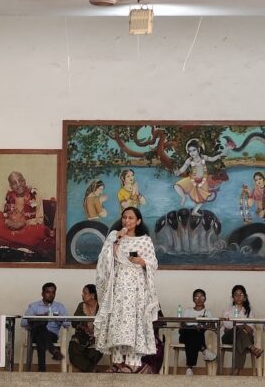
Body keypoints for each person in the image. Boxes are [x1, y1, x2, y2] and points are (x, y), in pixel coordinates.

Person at [94, 207, 160, 374]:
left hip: (136, 287)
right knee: (116, 321)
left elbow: (153, 263)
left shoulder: (144, 240)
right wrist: (114, 245)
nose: (127, 221)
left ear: (138, 221)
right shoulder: (114, 237)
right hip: (117, 286)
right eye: (124, 217)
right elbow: (103, 261)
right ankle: (117, 361)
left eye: (131, 218)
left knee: (133, 322)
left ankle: (132, 362)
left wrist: (142, 261)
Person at [21, 283, 69, 372]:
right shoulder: (34, 306)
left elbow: (67, 324)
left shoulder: (59, 307)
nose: (51, 295)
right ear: (42, 294)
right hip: (33, 335)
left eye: (53, 292)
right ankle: (53, 350)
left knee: (41, 336)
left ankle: (42, 370)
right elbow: (23, 322)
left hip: (51, 335)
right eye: (48, 292)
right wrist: (38, 316)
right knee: (40, 327)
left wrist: (58, 317)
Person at [174, 139, 225, 213]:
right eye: (190, 151)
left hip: (203, 181)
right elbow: (182, 169)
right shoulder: (189, 160)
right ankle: (183, 197)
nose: (192, 153)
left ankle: (194, 211)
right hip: (192, 180)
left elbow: (212, 159)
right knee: (176, 186)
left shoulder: (203, 157)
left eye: (194, 150)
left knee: (202, 198)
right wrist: (177, 172)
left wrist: (220, 155)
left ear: (198, 149)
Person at [221, 284, 263, 374]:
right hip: (229, 337)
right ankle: (252, 348)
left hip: (245, 337)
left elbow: (251, 330)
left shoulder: (249, 312)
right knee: (238, 331)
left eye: (241, 294)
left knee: (240, 339)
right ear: (233, 297)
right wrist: (243, 325)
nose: (239, 297)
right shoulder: (227, 310)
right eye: (236, 294)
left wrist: (241, 326)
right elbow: (227, 327)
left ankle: (235, 371)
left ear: (245, 297)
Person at [178, 288, 217, 376]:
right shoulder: (188, 311)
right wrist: (193, 326)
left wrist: (203, 326)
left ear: (205, 298)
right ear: (193, 299)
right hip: (185, 335)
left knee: (193, 337)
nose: (199, 299)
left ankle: (189, 367)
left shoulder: (208, 313)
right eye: (196, 297)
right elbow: (182, 325)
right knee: (191, 330)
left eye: (201, 297)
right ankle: (203, 349)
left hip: (198, 336)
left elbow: (213, 327)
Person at [68, 284, 102, 372]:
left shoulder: (101, 307)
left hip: (96, 338)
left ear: (92, 295)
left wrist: (95, 331)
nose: (82, 295)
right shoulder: (81, 305)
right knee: (73, 348)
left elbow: (106, 324)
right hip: (81, 337)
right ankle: (91, 369)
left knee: (96, 350)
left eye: (85, 293)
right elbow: (74, 323)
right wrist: (83, 327)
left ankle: (86, 368)